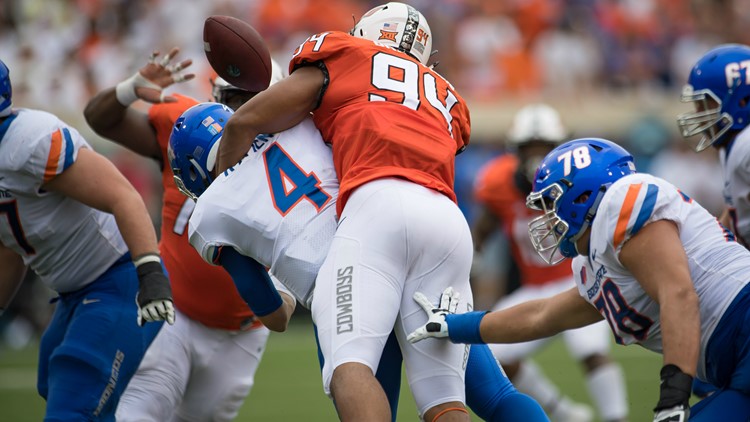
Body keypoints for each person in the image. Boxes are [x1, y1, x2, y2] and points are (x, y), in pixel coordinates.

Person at [171, 100, 548, 422]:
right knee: (490, 397)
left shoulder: (210, 212)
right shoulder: (297, 129)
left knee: (361, 388)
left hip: (347, 282)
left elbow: (273, 315)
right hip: (405, 236)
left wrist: (286, 283)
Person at [210, 3, 482, 420]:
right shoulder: (449, 97)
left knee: (349, 368)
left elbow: (244, 122)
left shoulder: (344, 54)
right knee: (445, 401)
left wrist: (221, 187)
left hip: (378, 210)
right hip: (447, 222)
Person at [409, 137, 750, 421]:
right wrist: (456, 326)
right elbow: (542, 316)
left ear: (584, 194)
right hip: (731, 361)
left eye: (551, 202)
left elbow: (678, 294)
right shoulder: (594, 262)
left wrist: (674, 394)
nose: (544, 217)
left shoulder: (621, 200)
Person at [83, 48, 295, 421]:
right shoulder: (191, 128)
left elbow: (281, 308)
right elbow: (101, 119)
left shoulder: (291, 159)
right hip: (172, 314)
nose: (240, 114)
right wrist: (131, 89)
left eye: (251, 100)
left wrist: (286, 288)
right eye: (233, 98)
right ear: (215, 95)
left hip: (242, 334)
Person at [0, 58, 174, 421]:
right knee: (58, 384)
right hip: (72, 296)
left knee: (74, 404)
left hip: (118, 281)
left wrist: (150, 274)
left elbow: (123, 196)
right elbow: (8, 244)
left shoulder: (27, 140)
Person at [472, 104, 628, 422]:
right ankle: (563, 413)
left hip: (579, 278)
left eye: (545, 147)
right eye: (529, 148)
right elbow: (482, 230)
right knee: (491, 355)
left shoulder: (579, 178)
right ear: (514, 149)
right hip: (536, 288)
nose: (537, 155)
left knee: (590, 350)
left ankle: (616, 418)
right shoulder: (498, 181)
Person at [677, 43, 750, 248]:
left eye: (705, 104)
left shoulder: (746, 144)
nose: (699, 115)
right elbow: (735, 211)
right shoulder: (734, 144)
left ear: (742, 101)